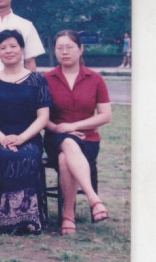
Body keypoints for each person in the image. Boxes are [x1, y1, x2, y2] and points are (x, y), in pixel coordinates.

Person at [0, 29, 51, 234]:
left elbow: (43, 117)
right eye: (3, 47)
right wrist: (3, 138)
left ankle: (29, 219)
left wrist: (21, 138)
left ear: (22, 49)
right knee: (7, 155)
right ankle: (6, 219)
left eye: (13, 46)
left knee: (25, 156)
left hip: (28, 137)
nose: (8, 51)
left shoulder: (37, 80)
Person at [44, 30, 111, 235]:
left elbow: (105, 116)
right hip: (56, 136)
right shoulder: (46, 79)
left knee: (65, 158)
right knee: (67, 143)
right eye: (60, 48)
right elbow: (41, 116)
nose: (64, 52)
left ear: (81, 49)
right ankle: (94, 199)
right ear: (55, 51)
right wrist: (57, 128)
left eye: (70, 47)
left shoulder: (95, 78)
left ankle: (68, 215)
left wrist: (74, 127)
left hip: (88, 139)